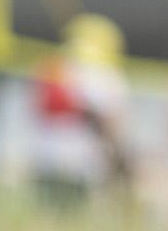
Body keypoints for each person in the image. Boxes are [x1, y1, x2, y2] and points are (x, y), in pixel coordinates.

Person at [29, 12, 133, 208]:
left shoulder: (55, 69)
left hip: (47, 160)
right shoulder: (110, 79)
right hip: (83, 166)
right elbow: (113, 125)